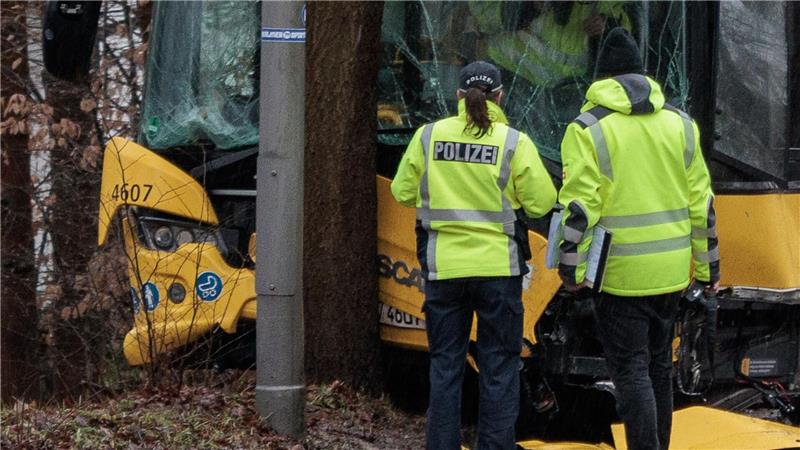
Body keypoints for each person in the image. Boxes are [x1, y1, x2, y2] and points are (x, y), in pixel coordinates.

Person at [557, 28, 720, 450]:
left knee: (630, 370)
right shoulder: (681, 124)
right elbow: (701, 205)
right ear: (641, 75)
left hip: (620, 272)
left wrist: (570, 269)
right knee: (659, 368)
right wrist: (708, 270)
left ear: (601, 78)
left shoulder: (587, 129)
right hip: (671, 271)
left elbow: (579, 210)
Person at [391, 61, 556, 450]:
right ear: (500, 96)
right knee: (499, 366)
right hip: (499, 271)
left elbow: (402, 191)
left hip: (444, 269)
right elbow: (542, 202)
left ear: (458, 97)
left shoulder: (429, 136)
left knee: (445, 365)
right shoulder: (514, 142)